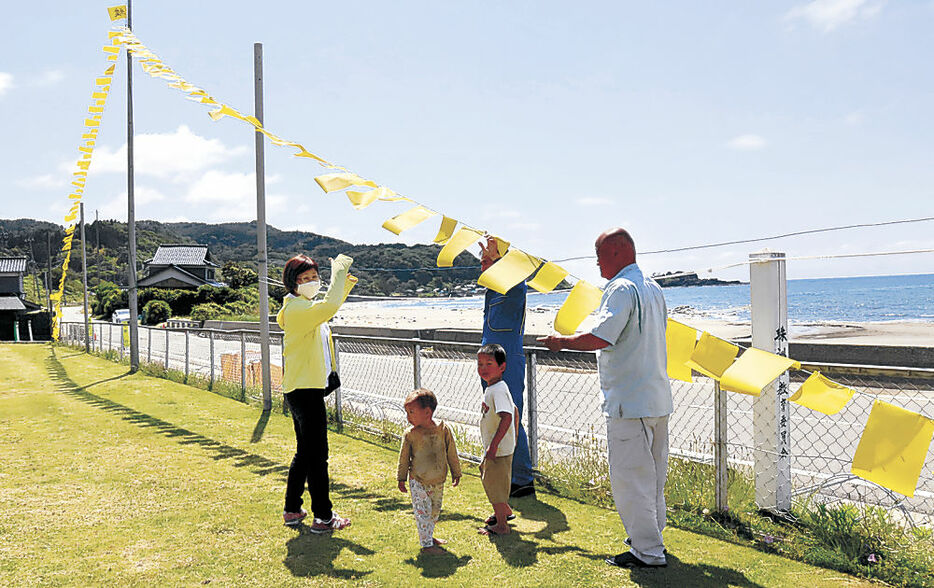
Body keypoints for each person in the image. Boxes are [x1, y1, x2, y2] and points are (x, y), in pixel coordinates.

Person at [537, 228, 672, 568]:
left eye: (599, 254)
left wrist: (562, 341)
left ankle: (647, 552)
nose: (596, 262)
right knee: (653, 477)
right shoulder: (653, 288)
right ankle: (652, 539)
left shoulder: (621, 288)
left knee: (631, 479)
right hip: (655, 397)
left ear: (617, 252)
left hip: (630, 401)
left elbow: (602, 336)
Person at [277, 253, 357, 532]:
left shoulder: (304, 308)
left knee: (305, 453)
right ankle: (323, 516)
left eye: (315, 277)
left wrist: (342, 285)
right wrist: (340, 270)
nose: (312, 282)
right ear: (293, 283)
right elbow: (330, 305)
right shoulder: (299, 310)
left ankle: (292, 508)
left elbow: (328, 306)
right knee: (317, 456)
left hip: (302, 389)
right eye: (305, 278)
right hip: (305, 391)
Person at [478, 237, 535, 498]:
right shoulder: (492, 291)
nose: (483, 266)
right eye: (482, 262)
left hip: (507, 361)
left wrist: (500, 258)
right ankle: (503, 472)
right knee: (495, 416)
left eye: (487, 261)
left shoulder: (513, 286)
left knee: (510, 417)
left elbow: (516, 275)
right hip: (490, 362)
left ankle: (521, 478)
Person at [397, 388, 462, 553]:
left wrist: (456, 472)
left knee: (434, 511)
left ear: (427, 412)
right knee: (423, 513)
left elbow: (451, 452)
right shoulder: (410, 434)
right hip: (418, 481)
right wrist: (401, 478)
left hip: (438, 481)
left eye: (411, 412)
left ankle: (429, 536)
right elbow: (404, 458)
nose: (408, 417)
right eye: (407, 412)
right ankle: (427, 545)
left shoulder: (443, 430)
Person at [476, 343, 519, 536]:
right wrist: (514, 438)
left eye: (489, 364)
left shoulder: (498, 390)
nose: (483, 368)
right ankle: (503, 511)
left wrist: (494, 446)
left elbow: (508, 416)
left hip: (498, 449)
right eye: (480, 364)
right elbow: (515, 410)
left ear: (502, 367)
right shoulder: (494, 388)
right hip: (499, 447)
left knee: (495, 484)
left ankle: (502, 525)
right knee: (490, 478)